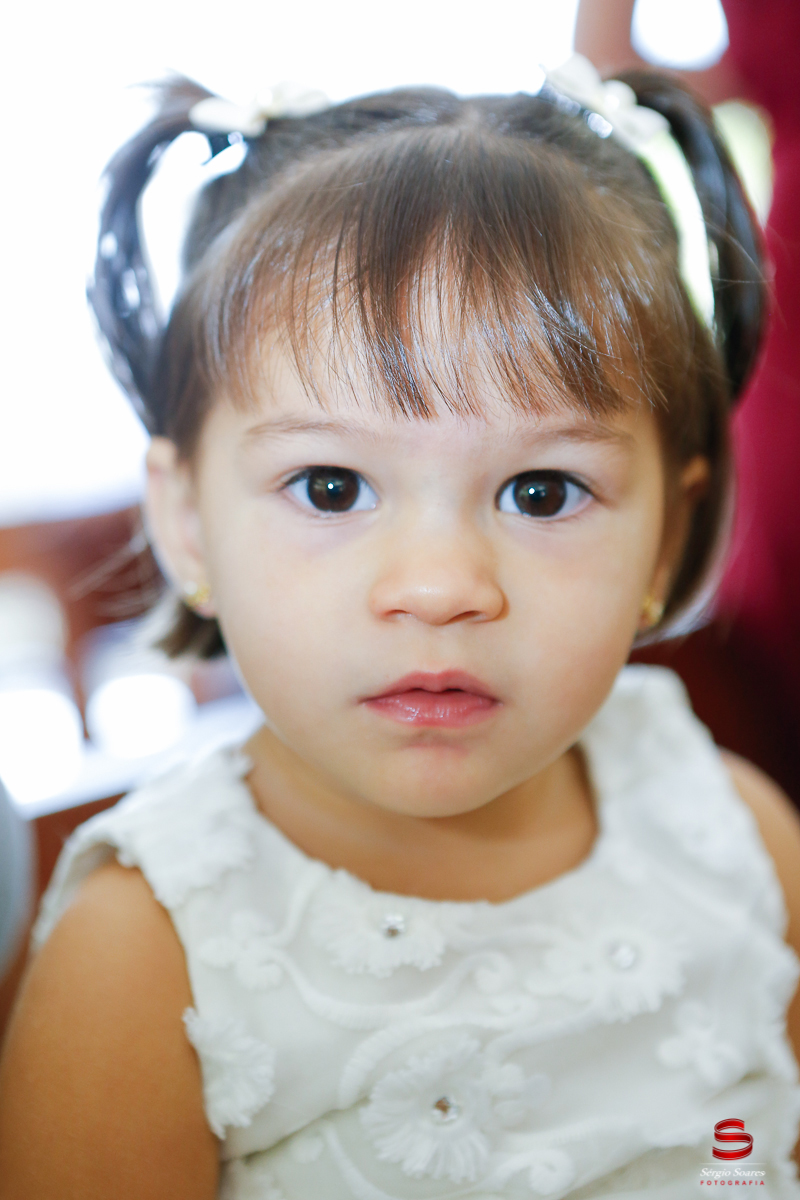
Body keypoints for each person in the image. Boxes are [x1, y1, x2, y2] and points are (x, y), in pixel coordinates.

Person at [0, 62, 799, 1199]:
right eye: (330, 487)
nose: (436, 588)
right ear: (186, 523)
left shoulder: (730, 829)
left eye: (540, 493)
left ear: (666, 537)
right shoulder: (145, 954)